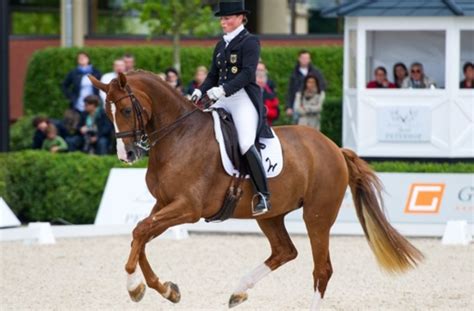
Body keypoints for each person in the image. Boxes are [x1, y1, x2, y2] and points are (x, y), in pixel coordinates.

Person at [190, 0, 273, 216]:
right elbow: (212, 75)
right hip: (221, 97)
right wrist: (200, 91)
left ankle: (263, 194)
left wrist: (223, 90)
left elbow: (247, 74)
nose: (223, 22)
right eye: (222, 19)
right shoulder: (221, 45)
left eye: (226, 18)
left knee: (245, 143)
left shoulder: (250, 42)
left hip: (242, 98)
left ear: (239, 18)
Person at [286, 50, 326, 119]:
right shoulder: (294, 74)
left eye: (307, 58)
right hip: (299, 105)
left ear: (309, 59)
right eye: (303, 58)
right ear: (299, 59)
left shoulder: (316, 73)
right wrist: (289, 107)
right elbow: (290, 91)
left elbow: (322, 86)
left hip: (313, 105)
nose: (305, 60)